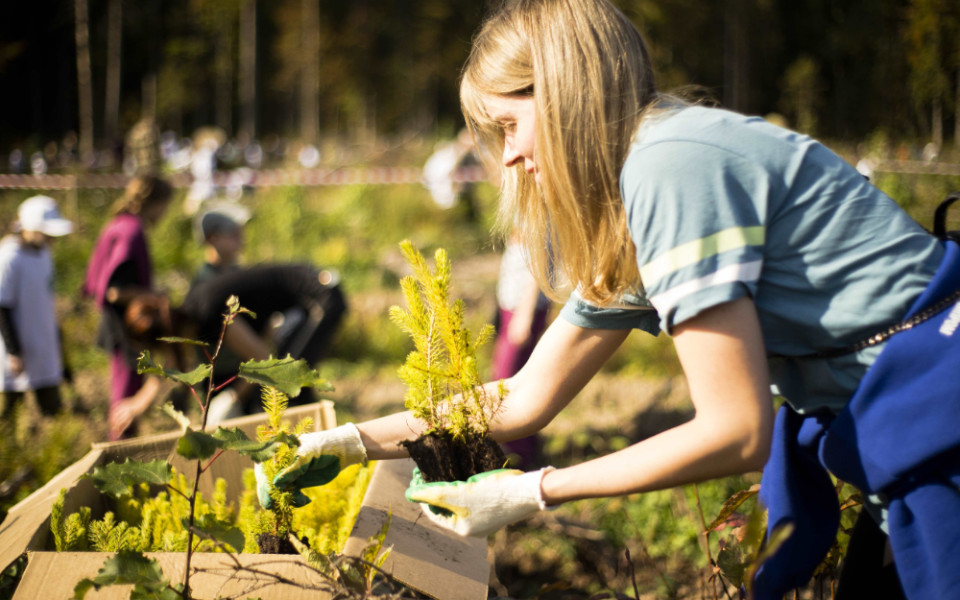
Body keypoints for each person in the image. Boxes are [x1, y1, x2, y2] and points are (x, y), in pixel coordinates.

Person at [262, 2, 958, 599]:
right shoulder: (636, 197)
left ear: (563, 92)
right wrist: (353, 441)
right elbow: (525, 397)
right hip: (908, 437)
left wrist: (537, 491)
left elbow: (735, 429)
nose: (506, 158)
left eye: (509, 124)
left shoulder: (671, 167)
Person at [178, 262, 347, 420]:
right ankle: (315, 439)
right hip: (308, 298)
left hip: (321, 297)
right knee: (285, 385)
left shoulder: (206, 312)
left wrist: (232, 398)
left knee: (288, 382)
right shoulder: (195, 304)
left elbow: (263, 359)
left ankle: (316, 443)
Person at [82, 173, 175, 440]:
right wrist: (155, 296)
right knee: (125, 400)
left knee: (126, 393)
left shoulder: (119, 224)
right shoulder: (132, 231)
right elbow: (115, 291)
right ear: (155, 203)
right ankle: (119, 459)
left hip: (119, 325)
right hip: (126, 328)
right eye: (165, 206)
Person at [0, 196, 74, 419]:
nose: (51, 239)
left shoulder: (43, 254)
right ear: (30, 228)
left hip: (42, 345)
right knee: (9, 412)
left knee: (53, 408)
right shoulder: (9, 257)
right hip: (15, 350)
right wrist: (14, 352)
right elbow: (2, 306)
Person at [491, 228, 551, 468]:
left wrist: (525, 314)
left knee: (507, 386)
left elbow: (541, 260)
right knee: (506, 380)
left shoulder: (540, 197)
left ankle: (519, 460)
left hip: (523, 309)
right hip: (510, 305)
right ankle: (523, 452)